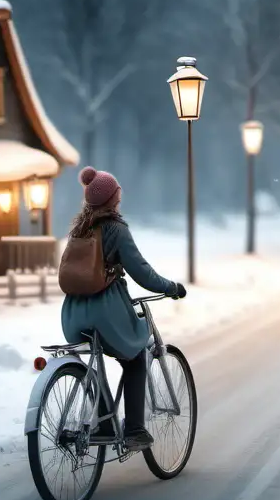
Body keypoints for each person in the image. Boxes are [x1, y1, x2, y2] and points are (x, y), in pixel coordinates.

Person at [61, 166, 186, 451]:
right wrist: (170, 287)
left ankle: (105, 423)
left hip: (72, 313)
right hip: (106, 312)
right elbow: (141, 272)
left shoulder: (77, 230)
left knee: (95, 363)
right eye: (117, 196)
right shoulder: (115, 229)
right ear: (111, 199)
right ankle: (134, 430)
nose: (119, 200)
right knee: (134, 358)